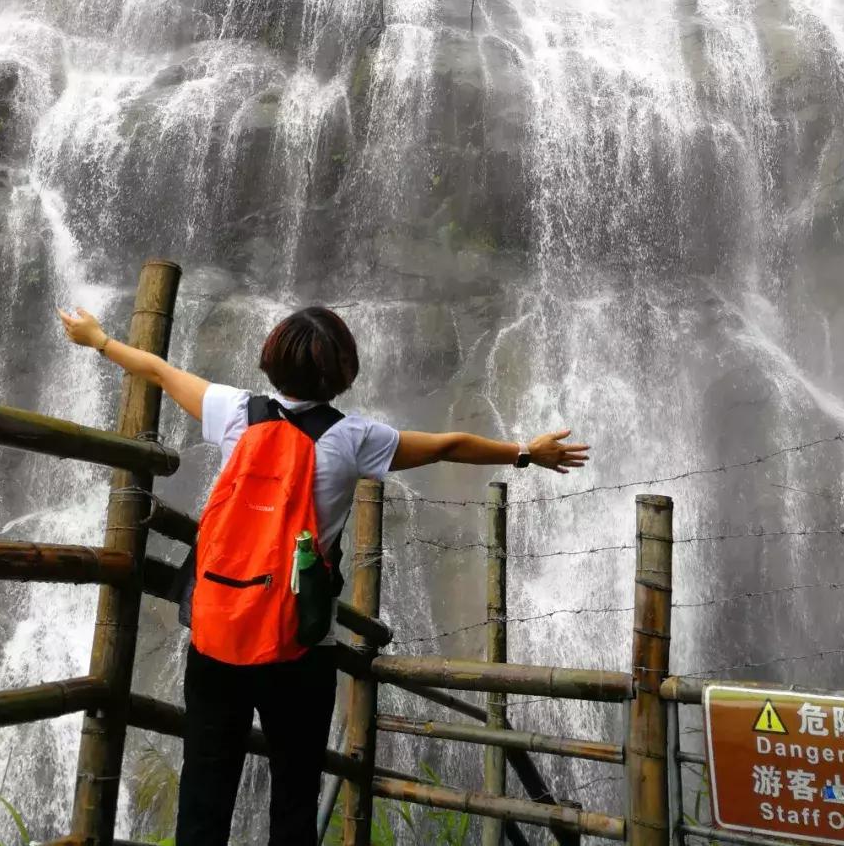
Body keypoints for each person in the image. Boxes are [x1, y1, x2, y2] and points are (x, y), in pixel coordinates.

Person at [58, 302, 589, 846]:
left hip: (219, 636)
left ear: (270, 360)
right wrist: (526, 452)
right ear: (343, 371)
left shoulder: (235, 411)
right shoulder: (356, 438)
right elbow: (449, 445)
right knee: (294, 799)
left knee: (203, 798)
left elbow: (157, 370)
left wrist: (98, 339)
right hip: (298, 644)